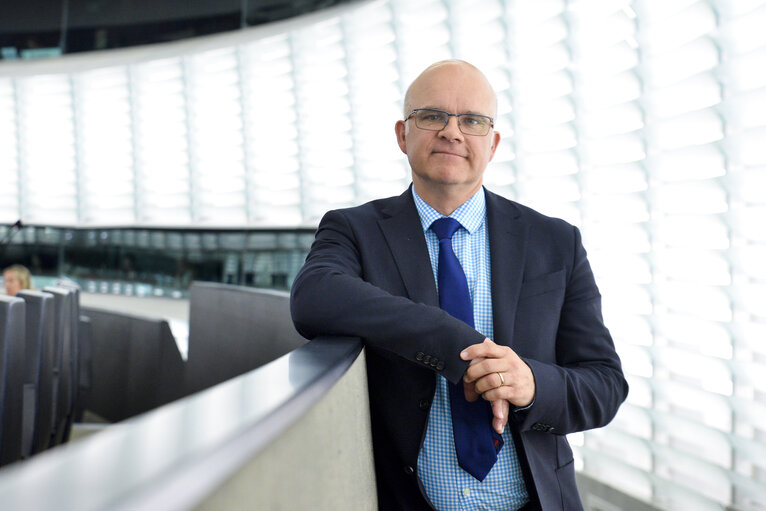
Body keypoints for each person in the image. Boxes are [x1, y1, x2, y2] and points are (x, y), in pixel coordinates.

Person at [290, 60, 628, 511]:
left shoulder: (555, 242)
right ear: (401, 134)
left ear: (493, 143)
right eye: (432, 116)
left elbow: (604, 385)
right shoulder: (355, 230)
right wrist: (459, 348)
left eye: (472, 120)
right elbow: (314, 296)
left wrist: (530, 385)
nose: (452, 132)